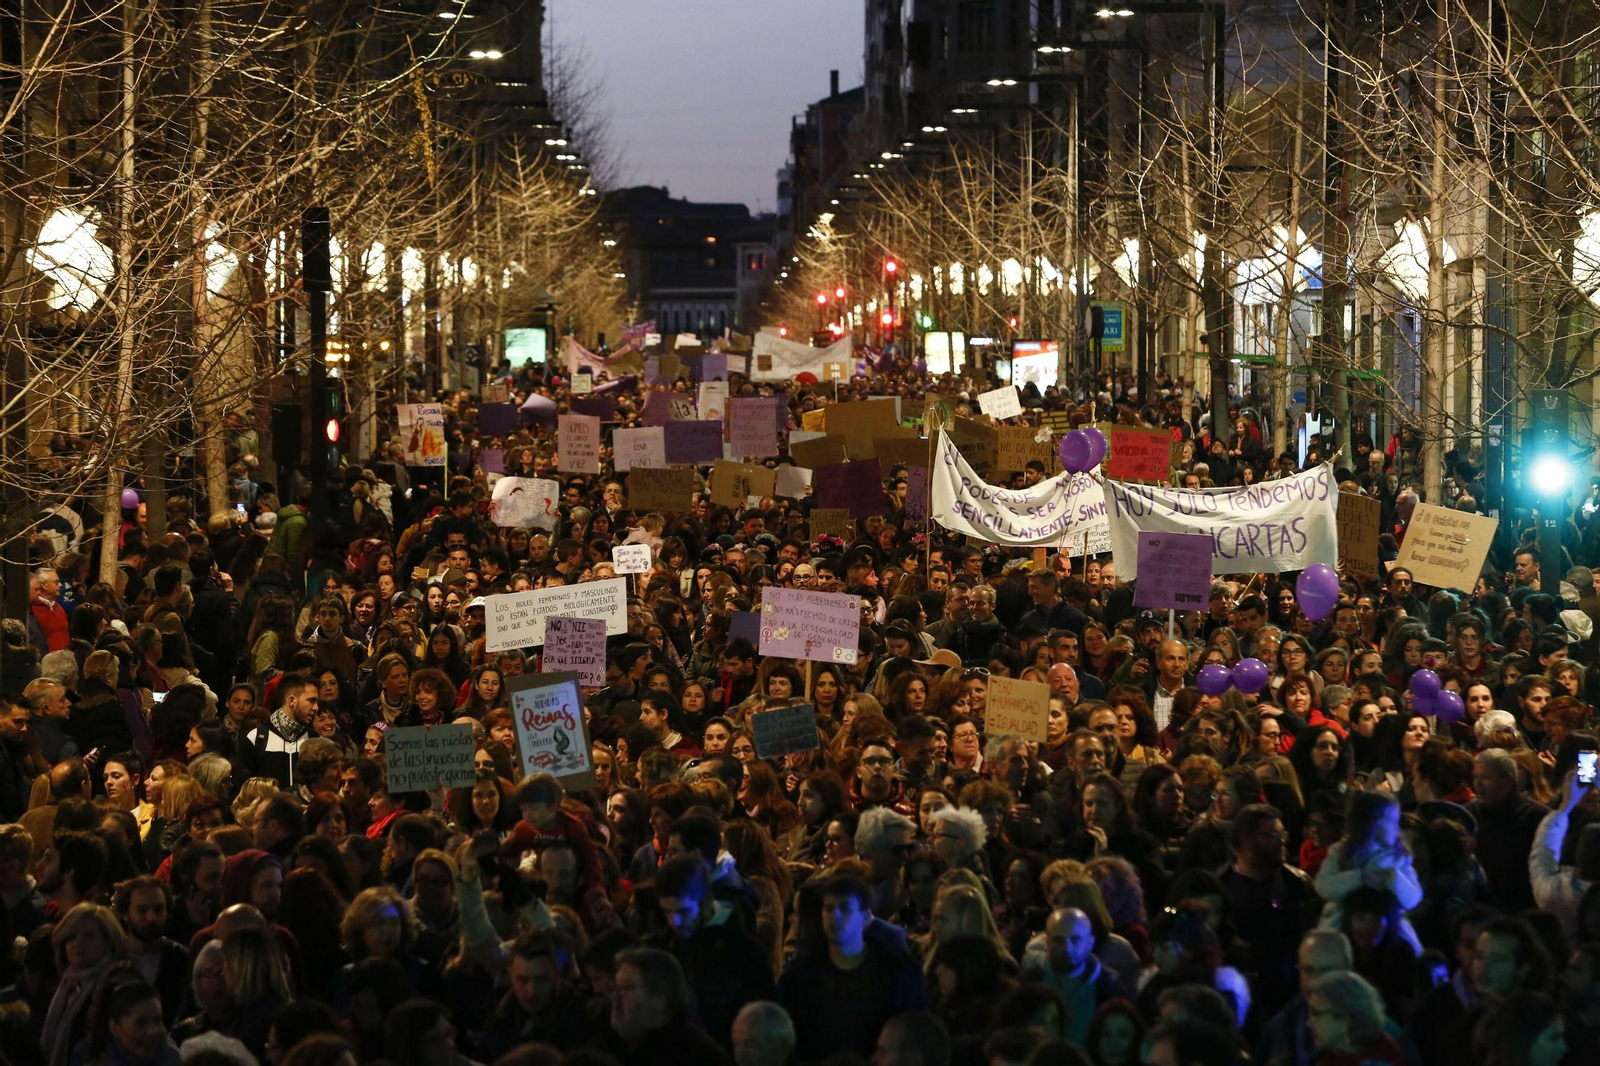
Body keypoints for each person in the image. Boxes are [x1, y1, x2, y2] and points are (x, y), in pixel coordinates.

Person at [778, 873, 926, 1061]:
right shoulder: (800, 976)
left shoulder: (896, 973)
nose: (835, 916)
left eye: (845, 908)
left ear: (865, 918)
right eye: (829, 909)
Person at [605, 947, 733, 1066]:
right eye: (615, 988)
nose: (615, 997)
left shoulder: (691, 1055)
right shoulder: (627, 1044)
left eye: (626, 988)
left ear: (660, 999)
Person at [1023, 907, 1124, 1046]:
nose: (1067, 947)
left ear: (1090, 943)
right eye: (1059, 940)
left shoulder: (1108, 987)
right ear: (1047, 943)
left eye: (1075, 940)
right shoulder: (1029, 984)